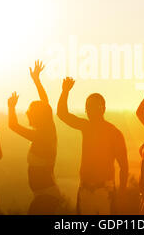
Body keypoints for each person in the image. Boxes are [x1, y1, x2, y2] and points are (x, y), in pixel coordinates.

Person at [57, 77, 128, 214]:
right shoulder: (86, 127)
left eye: (93, 106)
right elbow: (62, 114)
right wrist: (65, 91)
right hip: (85, 190)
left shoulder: (113, 133)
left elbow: (124, 166)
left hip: (105, 192)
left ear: (103, 109)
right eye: (88, 107)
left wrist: (122, 193)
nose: (89, 110)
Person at [8, 60, 60, 214]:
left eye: (30, 112)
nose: (27, 114)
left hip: (47, 196)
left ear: (37, 116)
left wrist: (11, 107)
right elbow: (45, 103)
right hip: (43, 196)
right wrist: (36, 80)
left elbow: (13, 125)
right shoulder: (46, 130)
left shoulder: (41, 136)